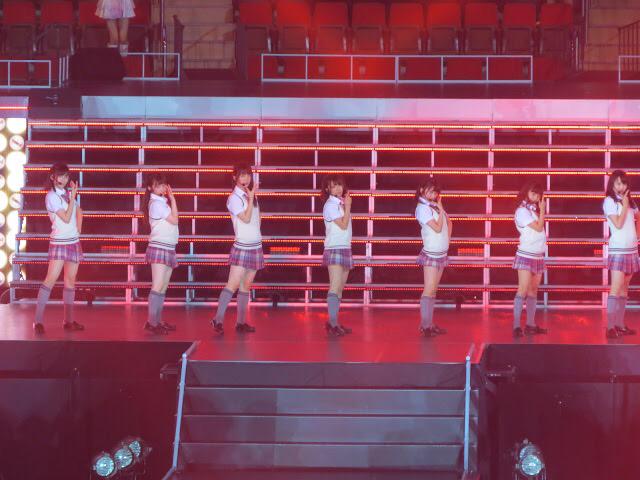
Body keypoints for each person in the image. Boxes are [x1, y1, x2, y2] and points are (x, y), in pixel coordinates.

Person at [33, 163, 84, 334]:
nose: (64, 179)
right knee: (50, 280)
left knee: (70, 282)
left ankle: (68, 321)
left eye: (66, 176)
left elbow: (79, 212)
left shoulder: (66, 195)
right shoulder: (51, 196)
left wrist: (78, 231)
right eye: (61, 175)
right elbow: (67, 217)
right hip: (59, 242)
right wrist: (74, 196)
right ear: (52, 177)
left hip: (73, 241)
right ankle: (37, 321)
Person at [212, 164, 263, 334]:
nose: (246, 178)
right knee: (232, 284)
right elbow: (246, 218)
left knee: (246, 286)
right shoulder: (234, 198)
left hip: (255, 245)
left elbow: (257, 219)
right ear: (234, 178)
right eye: (242, 175)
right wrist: (252, 196)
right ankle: (218, 319)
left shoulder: (251, 196)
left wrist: (252, 197)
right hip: (242, 246)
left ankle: (240, 323)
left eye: (248, 175)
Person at [603, 170, 640, 338]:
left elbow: (638, 216)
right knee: (616, 288)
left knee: (625, 289)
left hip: (631, 249)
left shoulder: (630, 201)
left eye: (624, 183)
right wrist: (624, 205)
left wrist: (637, 235)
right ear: (612, 184)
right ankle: (610, 327)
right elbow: (618, 224)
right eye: (618, 183)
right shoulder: (609, 201)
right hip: (618, 249)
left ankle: (620, 325)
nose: (621, 186)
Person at [142, 173, 179, 335]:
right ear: (150, 188)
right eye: (158, 185)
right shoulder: (157, 204)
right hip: (159, 247)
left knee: (162, 287)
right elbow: (175, 220)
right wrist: (173, 199)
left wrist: (170, 200)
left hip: (167, 246)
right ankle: (152, 322)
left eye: (164, 184)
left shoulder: (161, 202)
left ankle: (157, 321)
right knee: (158, 286)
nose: (162, 187)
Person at [415, 177, 450, 337]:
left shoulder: (434, 206)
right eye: (430, 190)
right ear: (422, 190)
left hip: (441, 252)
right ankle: (425, 325)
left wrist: (447, 241)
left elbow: (449, 224)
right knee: (429, 289)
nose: (433, 194)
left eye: (435, 191)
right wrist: (441, 209)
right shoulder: (422, 208)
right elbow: (437, 228)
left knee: (433, 290)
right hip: (431, 253)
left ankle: (429, 324)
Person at [513, 181, 548, 337]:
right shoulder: (522, 211)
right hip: (526, 255)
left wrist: (540, 211)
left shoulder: (532, 211)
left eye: (538, 194)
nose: (536, 196)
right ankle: (516, 326)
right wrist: (543, 210)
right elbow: (539, 228)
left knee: (533, 291)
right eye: (533, 193)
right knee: (522, 290)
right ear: (526, 192)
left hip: (537, 255)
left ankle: (530, 324)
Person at [321, 174, 353, 336]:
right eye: (334, 186)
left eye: (339, 185)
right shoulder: (330, 205)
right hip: (334, 248)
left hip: (344, 247)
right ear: (327, 189)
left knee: (339, 288)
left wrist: (345, 205)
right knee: (335, 286)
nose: (338, 188)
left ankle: (334, 322)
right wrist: (348, 206)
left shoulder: (339, 203)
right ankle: (332, 324)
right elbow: (343, 224)